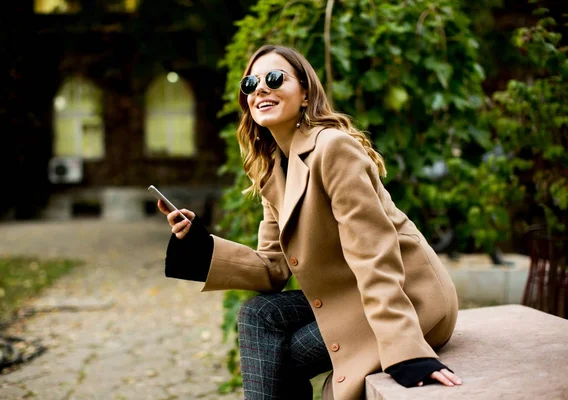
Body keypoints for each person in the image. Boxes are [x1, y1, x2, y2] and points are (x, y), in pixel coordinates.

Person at [157, 45, 462, 400]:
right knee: (258, 315)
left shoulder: (333, 148)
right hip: (350, 295)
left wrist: (406, 352)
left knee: (282, 357)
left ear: (305, 94)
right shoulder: (272, 169)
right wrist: (197, 244)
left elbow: (374, 251)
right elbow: (272, 268)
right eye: (250, 83)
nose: (259, 89)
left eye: (274, 79)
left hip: (411, 298)